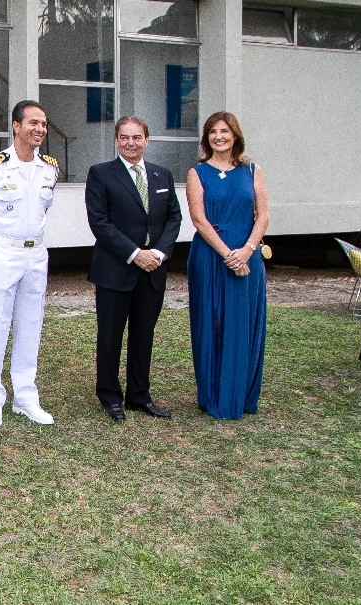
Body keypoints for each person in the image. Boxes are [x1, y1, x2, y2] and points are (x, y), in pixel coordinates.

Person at [85, 115, 182, 422]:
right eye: (124, 137)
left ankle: (139, 395)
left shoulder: (162, 175)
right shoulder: (101, 174)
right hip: (116, 270)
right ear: (116, 140)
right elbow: (99, 222)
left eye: (137, 137)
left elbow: (173, 218)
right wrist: (134, 253)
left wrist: (159, 253)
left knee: (144, 335)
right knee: (110, 335)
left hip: (153, 270)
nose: (131, 143)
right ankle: (110, 396)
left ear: (146, 140)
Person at [0, 100, 59, 428]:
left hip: (36, 254)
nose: (40, 129)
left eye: (44, 124)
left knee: (30, 325)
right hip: (2, 251)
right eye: (33, 122)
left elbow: (41, 212)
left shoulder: (49, 168)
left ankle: (25, 396)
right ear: (16, 126)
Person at [186, 111, 268, 419]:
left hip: (249, 259)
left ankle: (243, 394)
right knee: (213, 323)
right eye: (212, 132)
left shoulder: (253, 171)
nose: (219, 136)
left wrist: (246, 250)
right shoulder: (197, 172)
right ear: (207, 138)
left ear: (235, 135)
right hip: (210, 257)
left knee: (245, 323)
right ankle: (212, 394)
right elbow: (198, 219)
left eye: (224, 131)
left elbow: (263, 216)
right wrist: (227, 255)